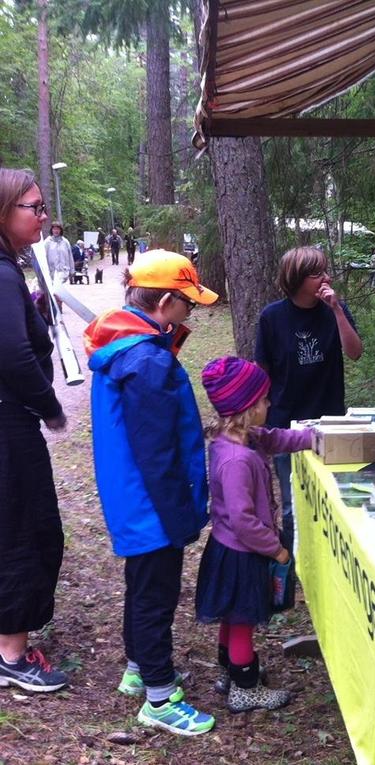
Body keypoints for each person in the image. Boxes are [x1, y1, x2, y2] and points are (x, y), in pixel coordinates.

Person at [84, 250, 219, 735]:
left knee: (143, 588)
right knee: (156, 596)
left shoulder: (127, 345)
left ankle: (140, 670)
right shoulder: (147, 361)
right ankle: (160, 699)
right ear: (164, 301)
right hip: (152, 504)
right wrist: (180, 516)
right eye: (188, 304)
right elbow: (158, 450)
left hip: (134, 499)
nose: (192, 313)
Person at [196, 356, 312, 712]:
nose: (269, 403)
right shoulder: (237, 459)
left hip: (230, 549)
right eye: (263, 400)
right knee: (243, 619)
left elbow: (277, 438)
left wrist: (313, 437)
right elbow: (243, 520)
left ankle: (231, 671)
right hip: (242, 552)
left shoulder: (246, 438)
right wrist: (276, 549)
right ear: (246, 408)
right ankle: (245, 689)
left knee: (233, 615)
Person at [0, 167, 69, 693]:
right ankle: (13, 655)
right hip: (10, 424)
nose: (44, 217)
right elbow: (16, 356)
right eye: (35, 207)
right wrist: (51, 409)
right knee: (27, 529)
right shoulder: (1, 272)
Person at [255, 246, 363, 553]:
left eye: (325, 271)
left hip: (330, 422)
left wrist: (338, 310)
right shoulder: (272, 317)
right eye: (317, 273)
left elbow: (355, 352)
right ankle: (294, 566)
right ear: (297, 278)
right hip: (286, 426)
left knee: (333, 498)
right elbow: (261, 373)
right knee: (292, 503)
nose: (326, 278)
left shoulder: (334, 310)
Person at [43, 221, 73, 289]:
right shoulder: (47, 242)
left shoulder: (65, 242)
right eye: (54, 229)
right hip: (51, 272)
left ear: (60, 230)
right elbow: (43, 257)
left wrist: (72, 270)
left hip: (63, 272)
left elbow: (70, 257)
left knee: (60, 291)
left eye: (58, 229)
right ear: (52, 230)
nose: (56, 231)